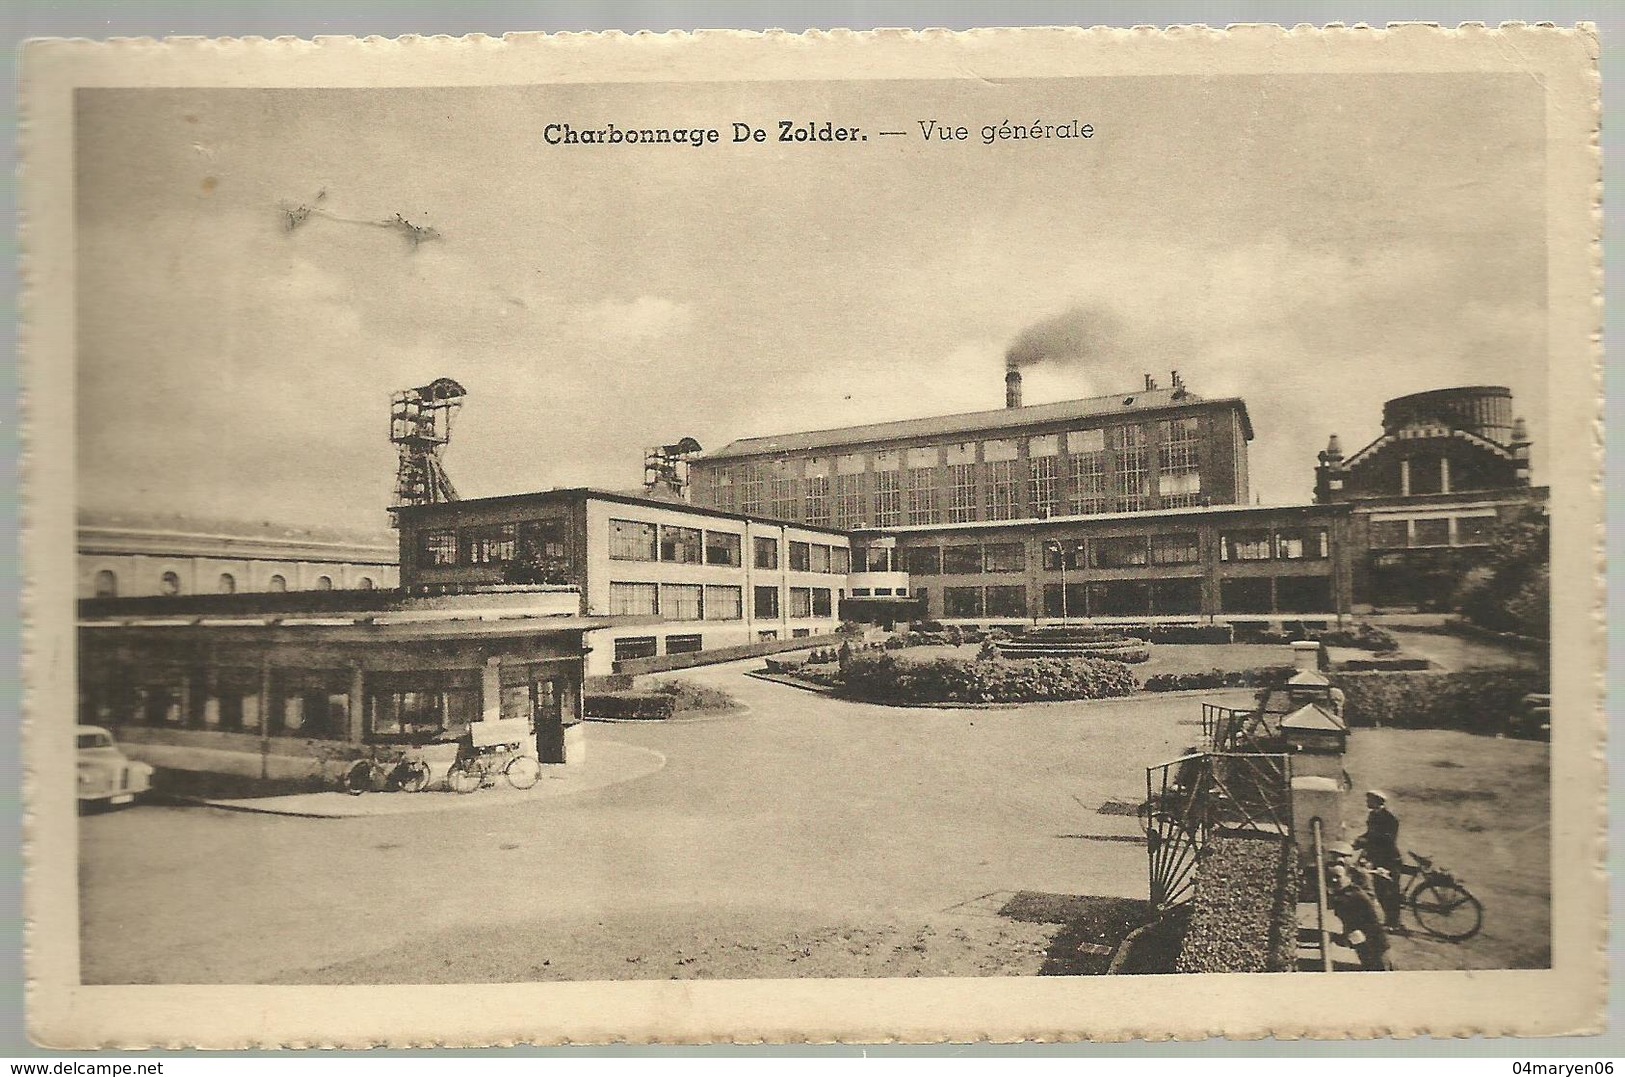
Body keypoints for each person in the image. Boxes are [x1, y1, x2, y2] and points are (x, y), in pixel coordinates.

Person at [1326, 863, 1394, 971]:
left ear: (1348, 877)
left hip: (1373, 941)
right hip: (1363, 939)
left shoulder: (1352, 895)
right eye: (1331, 877)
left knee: (1379, 969)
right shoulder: (1346, 892)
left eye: (1338, 876)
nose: (1334, 880)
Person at [1353, 789, 1403, 930]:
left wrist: (1365, 842)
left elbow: (1387, 839)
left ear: (1377, 801)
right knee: (1380, 891)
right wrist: (1360, 840)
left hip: (1389, 859)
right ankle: (1389, 921)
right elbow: (1370, 834)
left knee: (1390, 893)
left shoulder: (1390, 818)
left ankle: (1394, 923)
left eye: (1369, 800)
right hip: (1378, 858)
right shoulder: (1373, 816)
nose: (1367, 802)